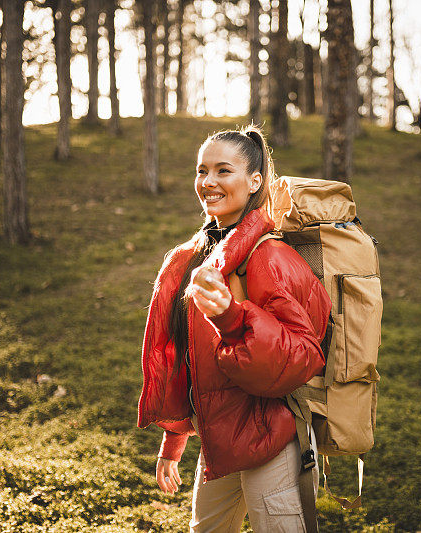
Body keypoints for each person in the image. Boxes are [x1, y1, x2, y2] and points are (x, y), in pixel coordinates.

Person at [137, 125, 331, 532]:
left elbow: (303, 356)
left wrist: (231, 317)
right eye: (201, 171)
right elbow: (186, 360)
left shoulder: (269, 257)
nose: (208, 182)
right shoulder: (195, 258)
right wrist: (174, 441)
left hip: (270, 438)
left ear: (254, 180)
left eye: (223, 171)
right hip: (219, 439)